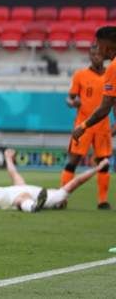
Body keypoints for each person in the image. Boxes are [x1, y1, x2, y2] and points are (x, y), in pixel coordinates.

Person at [61, 45, 112, 209]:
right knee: (73, 161)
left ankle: (102, 201)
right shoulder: (80, 75)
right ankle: (61, 198)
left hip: (103, 126)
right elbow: (69, 98)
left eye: (99, 54)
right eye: (93, 54)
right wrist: (72, 102)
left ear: (103, 55)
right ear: (89, 56)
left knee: (104, 162)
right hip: (83, 125)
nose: (96, 57)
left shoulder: (111, 74)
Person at [72, 27, 116, 196]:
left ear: (107, 46)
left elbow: (105, 107)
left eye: (98, 44)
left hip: (97, 125)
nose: (96, 48)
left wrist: (83, 126)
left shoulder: (113, 68)